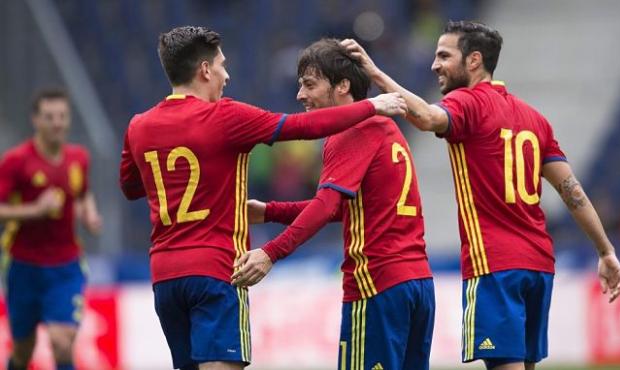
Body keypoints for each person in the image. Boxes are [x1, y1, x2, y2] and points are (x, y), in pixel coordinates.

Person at [341, 20, 620, 370]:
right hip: (538, 265)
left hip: (495, 265)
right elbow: (571, 191)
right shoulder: (534, 119)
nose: (435, 65)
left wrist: (376, 74)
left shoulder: (467, 103)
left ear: (474, 60)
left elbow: (428, 117)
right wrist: (605, 250)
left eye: (444, 55)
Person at [118, 26, 406, 370]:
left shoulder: (139, 126)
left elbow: (131, 187)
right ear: (205, 70)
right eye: (222, 65)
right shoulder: (225, 116)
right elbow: (304, 128)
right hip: (218, 270)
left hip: (165, 276)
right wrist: (372, 105)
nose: (227, 74)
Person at [232, 38, 435, 370]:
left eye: (310, 85)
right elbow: (344, 207)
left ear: (342, 86)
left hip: (376, 284)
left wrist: (271, 252)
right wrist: (269, 211)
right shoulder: (386, 128)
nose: (300, 95)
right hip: (417, 284)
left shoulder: (350, 130)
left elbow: (326, 204)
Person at [0, 88, 102, 370]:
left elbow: (82, 193)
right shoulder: (16, 162)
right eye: (49, 117)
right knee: (23, 350)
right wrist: (34, 211)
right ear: (36, 120)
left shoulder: (78, 158)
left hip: (65, 266)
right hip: (23, 266)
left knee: (62, 341)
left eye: (62, 116)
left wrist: (89, 214)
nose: (57, 123)